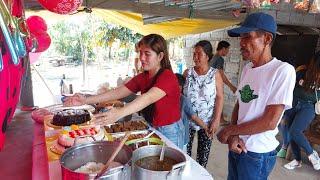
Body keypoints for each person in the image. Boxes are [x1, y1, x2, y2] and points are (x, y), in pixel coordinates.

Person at [64, 34, 184, 149]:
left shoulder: (168, 77)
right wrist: (86, 99)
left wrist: (119, 113)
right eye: (140, 53)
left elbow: (148, 98)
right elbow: (118, 92)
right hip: (151, 126)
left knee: (173, 163)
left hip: (169, 130)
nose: (142, 58)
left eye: (147, 54)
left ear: (160, 56)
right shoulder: (144, 76)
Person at [216, 12, 296, 180]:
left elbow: (270, 121)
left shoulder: (282, 71)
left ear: (267, 38)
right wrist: (235, 135)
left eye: (247, 36)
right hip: (237, 146)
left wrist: (230, 130)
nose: (241, 43)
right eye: (241, 37)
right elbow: (240, 104)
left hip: (257, 154)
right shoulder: (247, 68)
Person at [183, 40, 224, 167]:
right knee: (185, 156)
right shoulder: (187, 73)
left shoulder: (215, 74)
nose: (195, 57)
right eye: (194, 54)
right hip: (187, 121)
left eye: (199, 54)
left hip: (207, 122)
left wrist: (216, 120)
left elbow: (219, 97)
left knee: (203, 157)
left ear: (207, 56)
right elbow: (181, 97)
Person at [282, 52, 320, 170]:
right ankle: (297, 160)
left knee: (295, 131)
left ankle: (311, 154)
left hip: (309, 107)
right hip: (294, 103)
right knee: (291, 132)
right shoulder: (302, 70)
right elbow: (289, 86)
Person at [277, 65, 307, 158]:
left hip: (307, 108)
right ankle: (285, 146)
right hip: (294, 102)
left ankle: (286, 147)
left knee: (293, 127)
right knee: (284, 122)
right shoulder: (302, 70)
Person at [175, 73, 208, 153]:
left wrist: (206, 127)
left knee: (181, 157)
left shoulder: (184, 100)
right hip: (172, 136)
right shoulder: (167, 99)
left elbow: (194, 117)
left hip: (182, 138)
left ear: (180, 87)